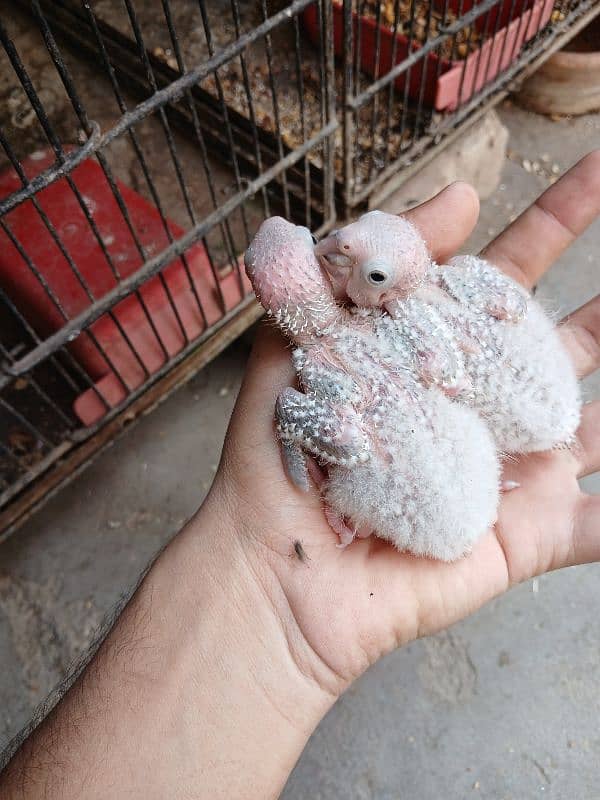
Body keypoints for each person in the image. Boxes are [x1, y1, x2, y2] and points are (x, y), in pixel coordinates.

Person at [1, 151, 600, 800]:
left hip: (444, 479)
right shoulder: (358, 350)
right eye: (327, 256)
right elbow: (422, 386)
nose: (331, 249)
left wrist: (316, 457)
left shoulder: (334, 364)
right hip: (449, 485)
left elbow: (417, 387)